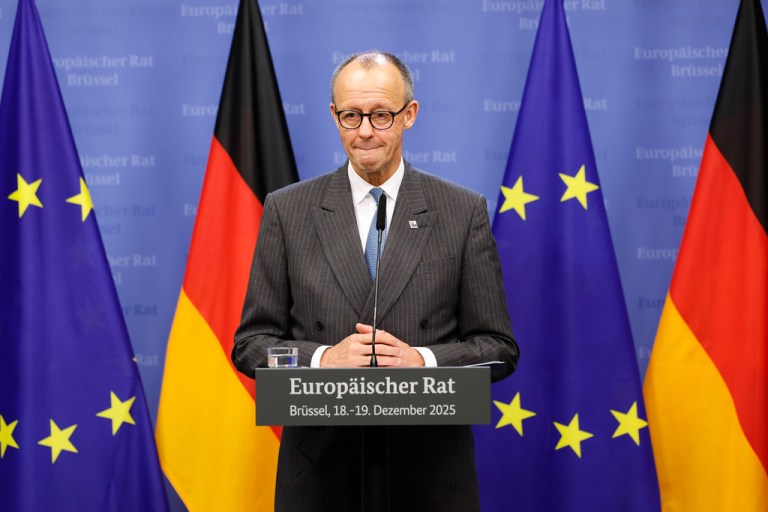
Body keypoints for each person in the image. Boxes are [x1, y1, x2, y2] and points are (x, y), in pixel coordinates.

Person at [233, 50, 519, 511]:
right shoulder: (288, 211)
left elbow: (499, 349)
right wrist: (322, 358)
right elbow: (252, 346)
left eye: (381, 115)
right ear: (334, 116)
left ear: (409, 115)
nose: (365, 130)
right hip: (320, 477)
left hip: (429, 476)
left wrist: (421, 360)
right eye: (351, 115)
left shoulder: (461, 211)